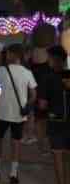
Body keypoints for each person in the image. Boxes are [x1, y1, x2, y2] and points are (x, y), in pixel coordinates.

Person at [0, 43, 37, 184]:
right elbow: (33, 94)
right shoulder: (27, 72)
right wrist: (27, 105)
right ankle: (13, 174)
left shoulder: (0, 71)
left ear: (12, 54)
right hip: (19, 114)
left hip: (1, 112)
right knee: (16, 143)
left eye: (8, 53)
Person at [40, 45, 70, 184]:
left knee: (58, 158)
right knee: (67, 158)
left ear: (53, 59)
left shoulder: (48, 77)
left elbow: (43, 105)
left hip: (56, 122)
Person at [29, 23, 56, 154]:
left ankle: (42, 147)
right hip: (49, 92)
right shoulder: (52, 55)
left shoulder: (32, 54)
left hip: (36, 92)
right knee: (50, 121)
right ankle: (52, 147)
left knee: (40, 121)